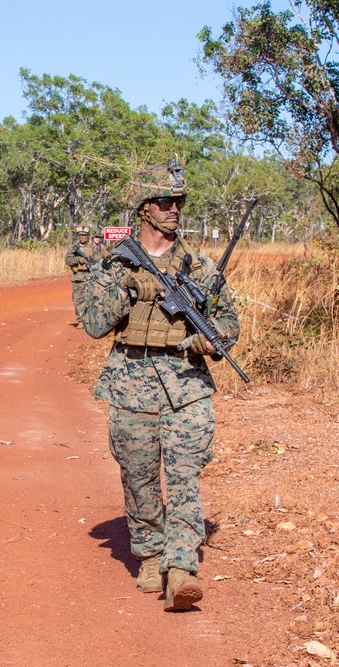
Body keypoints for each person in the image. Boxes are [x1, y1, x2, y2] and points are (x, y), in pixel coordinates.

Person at [76, 159, 240, 612]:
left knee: (185, 474)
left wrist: (211, 340)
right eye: (165, 202)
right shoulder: (116, 262)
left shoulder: (199, 266)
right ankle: (150, 555)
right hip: (130, 384)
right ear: (144, 208)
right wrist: (128, 289)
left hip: (187, 382)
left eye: (179, 202)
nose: (174, 209)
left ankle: (182, 567)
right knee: (140, 476)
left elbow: (227, 320)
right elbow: (92, 323)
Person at [64, 225, 103, 327]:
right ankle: (81, 321)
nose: (82, 237)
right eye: (80, 235)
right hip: (78, 278)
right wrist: (78, 260)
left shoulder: (93, 248)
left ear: (87, 236)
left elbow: (98, 260)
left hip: (90, 277)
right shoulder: (73, 248)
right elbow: (67, 260)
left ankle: (90, 321)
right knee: (78, 300)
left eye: (84, 235)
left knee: (91, 300)